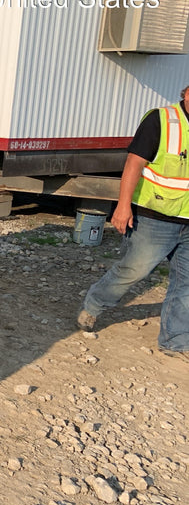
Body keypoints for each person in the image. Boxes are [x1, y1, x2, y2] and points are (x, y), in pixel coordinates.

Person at [78, 85, 189, 358]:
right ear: (187, 93)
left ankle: (175, 341)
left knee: (186, 282)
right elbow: (133, 163)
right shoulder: (161, 120)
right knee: (134, 271)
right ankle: (94, 304)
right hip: (155, 216)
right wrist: (123, 206)